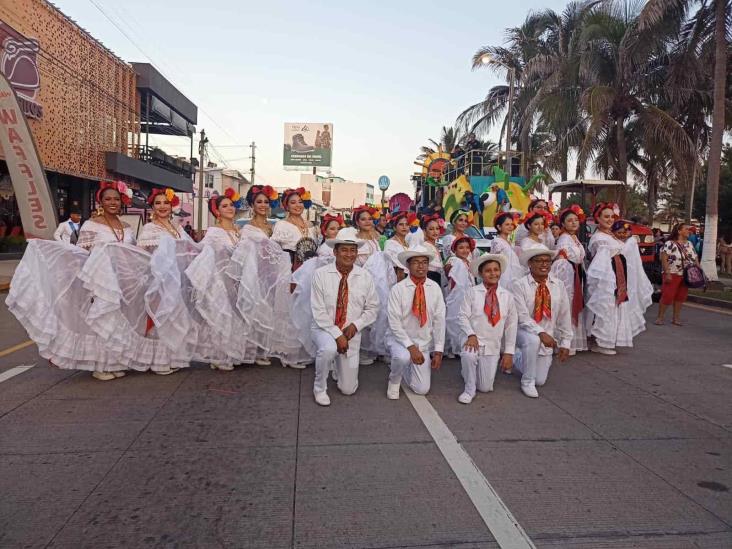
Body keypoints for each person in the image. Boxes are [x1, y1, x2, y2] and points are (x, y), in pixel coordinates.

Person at [310, 236, 380, 406]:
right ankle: (319, 388)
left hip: (350, 333)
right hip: (324, 328)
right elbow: (318, 312)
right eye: (344, 250)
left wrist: (356, 325)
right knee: (328, 348)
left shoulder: (365, 276)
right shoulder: (320, 275)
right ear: (335, 252)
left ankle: (338, 365)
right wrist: (336, 334)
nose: (349, 254)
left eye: (353, 250)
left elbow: (373, 308)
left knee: (348, 389)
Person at [585, 203, 653, 355]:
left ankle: (605, 339)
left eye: (611, 217)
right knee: (605, 306)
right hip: (606, 277)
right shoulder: (598, 237)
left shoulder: (611, 235)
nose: (609, 219)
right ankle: (598, 340)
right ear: (598, 218)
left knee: (614, 307)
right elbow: (602, 259)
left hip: (618, 275)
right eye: (606, 217)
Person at [386, 244, 446, 399]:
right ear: (408, 265)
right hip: (399, 340)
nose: (421, 266)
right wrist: (410, 347)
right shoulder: (398, 289)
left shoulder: (434, 288)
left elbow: (440, 320)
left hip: (423, 343)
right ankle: (394, 379)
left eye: (424, 262)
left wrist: (438, 350)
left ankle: (407, 368)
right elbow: (394, 323)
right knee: (402, 356)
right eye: (416, 262)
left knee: (422, 389)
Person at [457, 254, 517, 404]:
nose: (493, 273)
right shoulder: (472, 292)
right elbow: (462, 316)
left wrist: (509, 352)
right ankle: (469, 388)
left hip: (492, 345)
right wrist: (470, 335)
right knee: (469, 356)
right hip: (473, 341)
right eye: (488, 270)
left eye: (496, 270)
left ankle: (470, 371)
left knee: (485, 387)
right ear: (481, 273)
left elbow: (511, 325)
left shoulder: (507, 296)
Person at [513, 246, 572, 398]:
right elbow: (522, 317)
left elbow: (565, 315)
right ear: (530, 264)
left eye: (547, 261)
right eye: (539, 261)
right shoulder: (519, 285)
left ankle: (519, 359)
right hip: (523, 333)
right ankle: (526, 381)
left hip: (548, 338)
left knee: (540, 380)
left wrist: (566, 342)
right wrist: (541, 333)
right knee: (533, 340)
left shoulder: (558, 285)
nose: (544, 264)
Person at [551, 205, 588, 354]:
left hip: (577, 274)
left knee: (573, 306)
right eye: (569, 220)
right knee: (567, 306)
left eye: (576, 220)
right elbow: (561, 260)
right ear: (563, 224)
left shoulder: (574, 238)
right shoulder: (564, 239)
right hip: (569, 275)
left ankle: (571, 341)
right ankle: (564, 342)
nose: (573, 223)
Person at [656, 223, 700, 326]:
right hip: (672, 273)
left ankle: (676, 318)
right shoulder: (670, 243)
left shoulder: (689, 243)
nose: (689, 231)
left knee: (681, 296)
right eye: (686, 229)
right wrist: (667, 273)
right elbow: (663, 258)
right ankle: (660, 317)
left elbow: (695, 257)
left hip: (685, 275)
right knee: (668, 295)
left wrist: (700, 270)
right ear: (679, 231)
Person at [445, 236, 476, 358]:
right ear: (455, 250)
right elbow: (448, 271)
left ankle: (461, 344)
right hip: (457, 295)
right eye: (461, 248)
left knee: (465, 318)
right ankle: (454, 347)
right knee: (454, 318)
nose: (465, 250)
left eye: (467, 247)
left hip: (467, 294)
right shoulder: (454, 260)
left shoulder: (467, 262)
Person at [271, 187, 318, 269]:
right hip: (289, 270)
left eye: (300, 202)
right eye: (293, 202)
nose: (298, 205)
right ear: (287, 206)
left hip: (309, 270)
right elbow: (274, 252)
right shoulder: (282, 225)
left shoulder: (310, 225)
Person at [490, 212, 524, 288]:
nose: (510, 227)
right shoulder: (497, 242)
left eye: (511, 224)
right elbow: (495, 261)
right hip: (503, 278)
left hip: (514, 276)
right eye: (507, 224)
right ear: (499, 227)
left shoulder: (509, 243)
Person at [384, 211, 414, 281]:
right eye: (401, 224)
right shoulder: (390, 243)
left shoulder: (407, 243)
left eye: (406, 224)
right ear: (394, 227)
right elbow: (390, 266)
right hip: (396, 278)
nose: (404, 227)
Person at [420, 213, 445, 285]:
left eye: (437, 229)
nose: (435, 232)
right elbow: (432, 264)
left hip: (437, 277)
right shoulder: (425, 246)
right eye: (431, 229)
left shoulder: (435, 246)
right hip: (429, 278)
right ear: (425, 231)